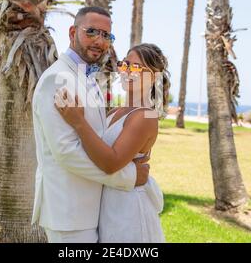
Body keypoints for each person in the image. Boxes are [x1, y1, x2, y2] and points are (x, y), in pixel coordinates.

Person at [31, 6, 150, 243]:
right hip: (69, 212)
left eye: (106, 35)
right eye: (92, 32)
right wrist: (128, 176)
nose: (99, 40)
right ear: (73, 32)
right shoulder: (57, 79)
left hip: (90, 209)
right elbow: (66, 152)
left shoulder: (86, 76)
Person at [55, 43, 169, 243]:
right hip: (109, 205)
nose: (127, 71)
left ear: (154, 76)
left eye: (136, 67)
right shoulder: (115, 112)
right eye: (125, 64)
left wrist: (78, 121)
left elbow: (111, 162)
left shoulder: (146, 116)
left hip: (130, 209)